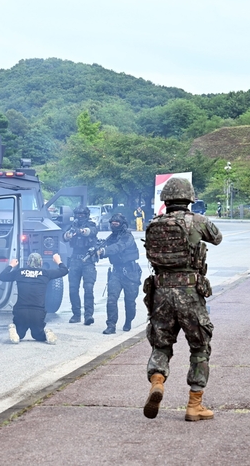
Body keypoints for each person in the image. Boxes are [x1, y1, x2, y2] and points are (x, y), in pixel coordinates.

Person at [142, 177, 223, 422]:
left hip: (160, 292)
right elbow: (217, 238)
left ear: (165, 200)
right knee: (199, 346)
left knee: (161, 343)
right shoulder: (197, 221)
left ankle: (157, 381)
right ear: (189, 199)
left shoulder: (154, 223)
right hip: (189, 292)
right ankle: (194, 405)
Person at [0, 253, 68, 344]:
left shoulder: (19, 272)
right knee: (37, 335)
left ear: (27, 263)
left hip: (21, 311)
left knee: (20, 334)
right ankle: (46, 333)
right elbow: (64, 270)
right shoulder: (45, 273)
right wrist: (58, 261)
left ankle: (14, 331)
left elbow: (2, 276)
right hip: (37, 311)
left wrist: (11, 265)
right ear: (41, 263)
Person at [97, 213, 141, 334]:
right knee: (111, 299)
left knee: (130, 301)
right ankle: (111, 325)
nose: (114, 225)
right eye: (112, 223)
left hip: (131, 273)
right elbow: (103, 246)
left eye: (117, 223)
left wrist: (105, 250)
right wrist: (96, 250)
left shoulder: (128, 236)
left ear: (122, 224)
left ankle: (128, 322)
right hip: (116, 272)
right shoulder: (111, 237)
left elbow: (118, 247)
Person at [62, 206, 99, 325]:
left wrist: (81, 231)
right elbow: (64, 237)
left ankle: (88, 315)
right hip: (75, 260)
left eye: (82, 214)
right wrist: (69, 234)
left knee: (88, 289)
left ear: (86, 215)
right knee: (73, 289)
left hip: (88, 260)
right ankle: (76, 314)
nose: (80, 216)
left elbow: (91, 231)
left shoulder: (91, 224)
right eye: (78, 214)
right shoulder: (73, 225)